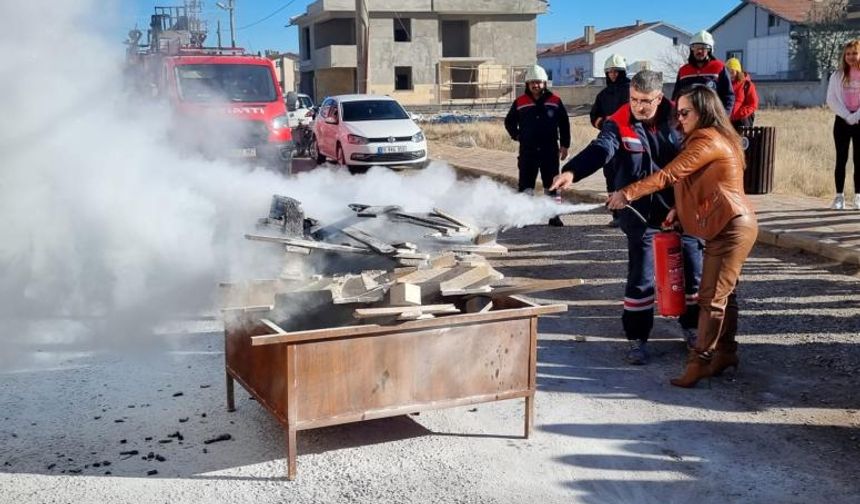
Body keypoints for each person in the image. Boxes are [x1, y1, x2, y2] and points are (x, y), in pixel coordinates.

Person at [606, 85, 758, 388]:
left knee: (710, 299)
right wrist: (679, 208)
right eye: (678, 112)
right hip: (727, 224)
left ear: (704, 112)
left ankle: (699, 361)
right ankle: (726, 353)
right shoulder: (713, 137)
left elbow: (669, 175)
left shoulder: (706, 139)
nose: (679, 117)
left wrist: (627, 193)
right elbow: (701, 182)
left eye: (685, 112)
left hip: (729, 227)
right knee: (726, 295)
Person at [550, 70, 702, 365]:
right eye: (634, 99)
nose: (638, 106)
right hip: (639, 213)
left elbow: (696, 160)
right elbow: (600, 149)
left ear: (660, 98)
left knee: (691, 273)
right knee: (641, 276)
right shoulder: (618, 121)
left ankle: (693, 328)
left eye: (645, 101)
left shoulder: (681, 118)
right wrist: (572, 171)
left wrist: (687, 204)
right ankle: (637, 338)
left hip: (681, 209)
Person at [505, 64, 571, 226]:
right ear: (527, 84)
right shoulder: (520, 102)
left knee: (553, 184)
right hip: (528, 151)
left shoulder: (555, 101)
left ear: (544, 83)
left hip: (550, 150)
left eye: (539, 82)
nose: (536, 85)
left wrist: (565, 145)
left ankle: (553, 215)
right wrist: (517, 135)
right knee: (526, 185)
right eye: (532, 82)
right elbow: (509, 122)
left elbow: (564, 123)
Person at [590, 54, 631, 228]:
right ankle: (616, 214)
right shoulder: (603, 94)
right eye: (610, 72)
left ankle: (629, 214)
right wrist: (603, 123)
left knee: (627, 177)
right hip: (608, 141)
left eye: (616, 71)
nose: (613, 74)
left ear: (622, 72)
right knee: (610, 177)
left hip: (628, 141)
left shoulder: (631, 90)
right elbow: (593, 115)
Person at [826, 39, 860, 210]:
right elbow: (830, 99)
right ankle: (839, 197)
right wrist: (847, 115)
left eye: (854, 53)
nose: (851, 57)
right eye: (848, 54)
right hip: (842, 121)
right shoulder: (837, 75)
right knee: (841, 159)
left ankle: (858, 196)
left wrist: (857, 116)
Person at [672, 30, 735, 116]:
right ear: (692, 49)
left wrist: (724, 116)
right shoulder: (683, 70)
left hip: (712, 118)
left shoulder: (719, 67)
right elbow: (676, 96)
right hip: (688, 119)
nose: (699, 51)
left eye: (703, 48)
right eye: (696, 47)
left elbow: (728, 95)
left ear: (709, 50)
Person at [726, 57, 758, 129]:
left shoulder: (747, 85)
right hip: (727, 121)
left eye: (732, 72)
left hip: (742, 120)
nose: (730, 75)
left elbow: (753, 104)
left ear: (738, 71)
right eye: (728, 72)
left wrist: (739, 114)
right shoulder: (725, 85)